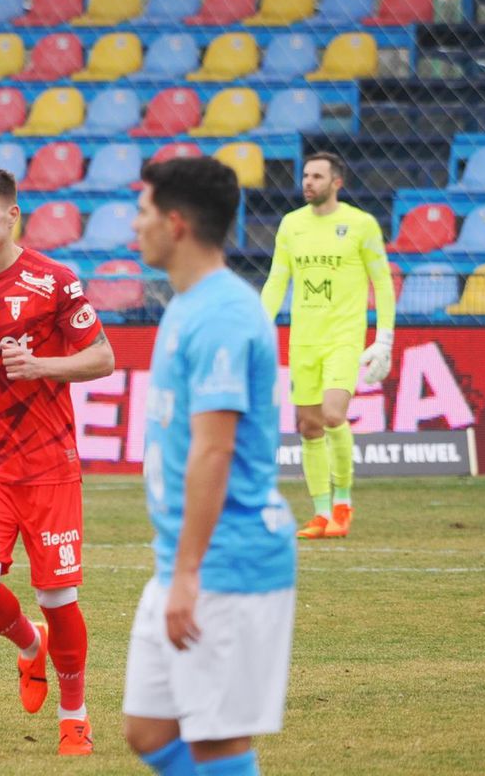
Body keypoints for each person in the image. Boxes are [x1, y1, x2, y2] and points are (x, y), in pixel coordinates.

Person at [0, 167, 115, 757]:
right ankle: (28, 646)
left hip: (47, 466)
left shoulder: (53, 282)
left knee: (59, 597)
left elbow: (103, 358)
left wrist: (43, 368)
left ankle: (74, 717)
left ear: (12, 216)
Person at [122, 157, 296, 776]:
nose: (133, 227)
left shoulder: (223, 313)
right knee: (146, 729)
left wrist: (189, 574)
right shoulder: (187, 302)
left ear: (175, 224)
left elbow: (214, 448)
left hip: (229, 562)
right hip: (183, 560)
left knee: (218, 744)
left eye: (141, 214)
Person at [260, 152, 396, 539]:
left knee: (334, 414)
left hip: (343, 337)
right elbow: (276, 281)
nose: (308, 182)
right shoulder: (291, 225)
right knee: (308, 426)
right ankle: (321, 513)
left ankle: (343, 503)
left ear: (337, 182)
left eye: (317, 176)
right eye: (305, 175)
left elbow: (382, 283)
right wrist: (256, 325)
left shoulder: (360, 224)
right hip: (304, 338)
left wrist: (383, 337)